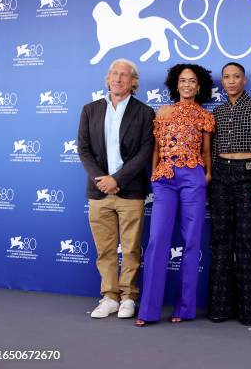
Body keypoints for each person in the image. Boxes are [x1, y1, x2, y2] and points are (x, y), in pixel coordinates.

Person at [135, 64, 215, 326]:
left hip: (193, 177)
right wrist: (155, 173)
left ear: (199, 86)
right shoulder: (163, 112)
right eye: (183, 80)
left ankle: (185, 307)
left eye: (192, 81)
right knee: (158, 240)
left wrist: (207, 175)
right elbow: (156, 147)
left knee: (191, 241)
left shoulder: (204, 115)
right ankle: (148, 310)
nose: (188, 84)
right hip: (165, 179)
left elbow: (206, 151)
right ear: (176, 84)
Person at [78, 58, 155, 319]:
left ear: (134, 82)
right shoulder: (90, 110)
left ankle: (128, 297)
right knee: (105, 249)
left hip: (130, 191)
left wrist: (118, 179)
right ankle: (109, 296)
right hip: (98, 191)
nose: (118, 78)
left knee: (131, 248)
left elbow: (145, 152)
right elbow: (84, 149)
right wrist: (102, 179)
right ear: (107, 78)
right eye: (114, 74)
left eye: (124, 75)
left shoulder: (144, 112)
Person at [208, 62, 251, 326]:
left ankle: (248, 311)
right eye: (226, 77)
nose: (231, 81)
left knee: (247, 242)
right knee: (221, 241)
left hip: (248, 175)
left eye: (236, 76)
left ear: (244, 80)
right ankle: (220, 308)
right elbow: (211, 152)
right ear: (222, 81)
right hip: (221, 175)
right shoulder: (218, 111)